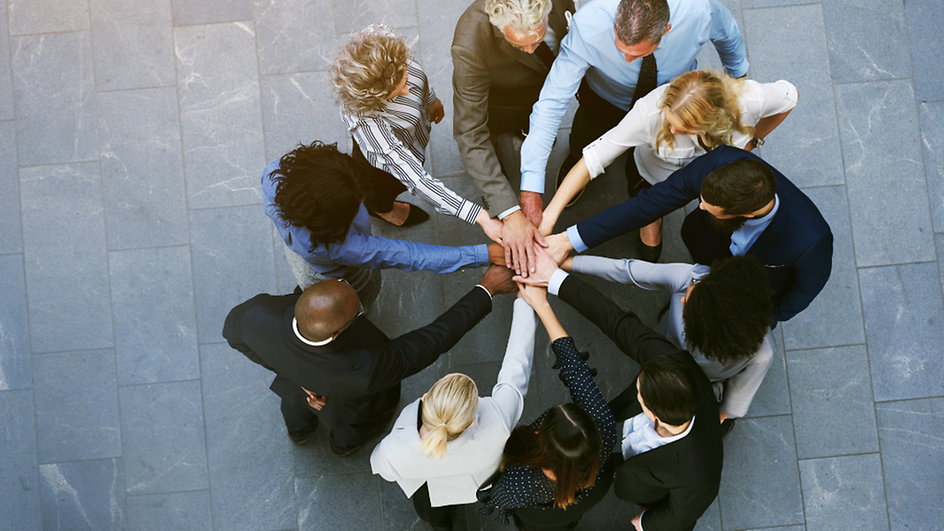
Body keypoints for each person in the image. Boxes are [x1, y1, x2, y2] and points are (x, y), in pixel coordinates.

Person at [518, 252, 724, 530]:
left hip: (643, 490)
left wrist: (646, 522)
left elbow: (680, 517)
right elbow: (618, 322)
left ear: (651, 412)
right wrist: (554, 279)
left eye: (638, 392)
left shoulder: (699, 476)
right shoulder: (675, 364)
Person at [221, 265, 516, 456]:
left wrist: (292, 373)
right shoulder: (366, 370)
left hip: (295, 386)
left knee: (296, 406)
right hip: (347, 404)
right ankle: (342, 448)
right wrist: (486, 289)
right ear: (337, 333)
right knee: (352, 426)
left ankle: (299, 433)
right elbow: (433, 339)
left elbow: (232, 336)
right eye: (358, 312)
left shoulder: (255, 315)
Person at [516, 0, 749, 228]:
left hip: (673, 102)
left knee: (660, 151)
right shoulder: (589, 23)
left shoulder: (699, 11)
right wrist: (531, 182)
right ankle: (576, 160)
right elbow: (552, 100)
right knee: (587, 132)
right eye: (620, 49)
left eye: (636, 55)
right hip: (604, 97)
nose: (627, 60)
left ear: (666, 30)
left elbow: (728, 34)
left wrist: (737, 78)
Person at [544, 146, 833, 324]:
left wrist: (752, 319)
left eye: (710, 206)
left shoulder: (811, 241)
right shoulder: (720, 162)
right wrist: (568, 239)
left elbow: (801, 295)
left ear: (745, 214)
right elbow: (648, 204)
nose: (700, 205)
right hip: (707, 243)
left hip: (749, 287)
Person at [542, 71, 797, 261]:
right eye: (670, 121)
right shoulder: (648, 113)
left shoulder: (750, 100)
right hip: (656, 179)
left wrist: (753, 141)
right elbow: (595, 157)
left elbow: (789, 97)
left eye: (683, 129)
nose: (673, 130)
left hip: (717, 180)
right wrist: (550, 215)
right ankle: (652, 221)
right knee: (647, 204)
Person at [370, 295, 537, 531]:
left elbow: (381, 467)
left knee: (435, 518)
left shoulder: (392, 451)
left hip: (427, 493)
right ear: (470, 423)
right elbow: (517, 365)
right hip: (472, 486)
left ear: (426, 398)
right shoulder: (499, 422)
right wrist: (527, 302)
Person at [263, 141, 494, 309]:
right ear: (334, 218)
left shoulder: (274, 176)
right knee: (360, 299)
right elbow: (411, 255)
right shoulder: (345, 247)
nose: (363, 202)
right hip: (339, 275)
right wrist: (484, 253)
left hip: (305, 253)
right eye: (355, 206)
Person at [331, 24, 503, 243]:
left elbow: (416, 76)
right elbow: (417, 180)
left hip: (412, 141)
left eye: (404, 77)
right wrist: (480, 217)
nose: (406, 91)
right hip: (382, 171)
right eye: (394, 95)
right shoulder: (367, 120)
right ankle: (380, 210)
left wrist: (430, 100)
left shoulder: (386, 49)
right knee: (382, 190)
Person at [561, 254, 774, 430]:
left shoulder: (761, 354)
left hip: (691, 382)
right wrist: (565, 263)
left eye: (690, 308)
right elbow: (627, 270)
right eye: (692, 292)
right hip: (659, 347)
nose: (682, 299)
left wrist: (703, 427)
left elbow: (731, 402)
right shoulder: (694, 278)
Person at [477, 283, 618, 530]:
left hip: (541, 518)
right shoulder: (603, 428)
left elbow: (498, 498)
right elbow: (576, 371)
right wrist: (541, 305)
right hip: (587, 495)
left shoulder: (521, 482)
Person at [451, 0, 575, 276]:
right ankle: (495, 187)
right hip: (500, 102)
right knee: (489, 140)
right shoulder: (470, 43)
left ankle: (526, 129)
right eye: (520, 46)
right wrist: (508, 210)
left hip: (537, 92)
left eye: (537, 39)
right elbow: (471, 133)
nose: (531, 49)